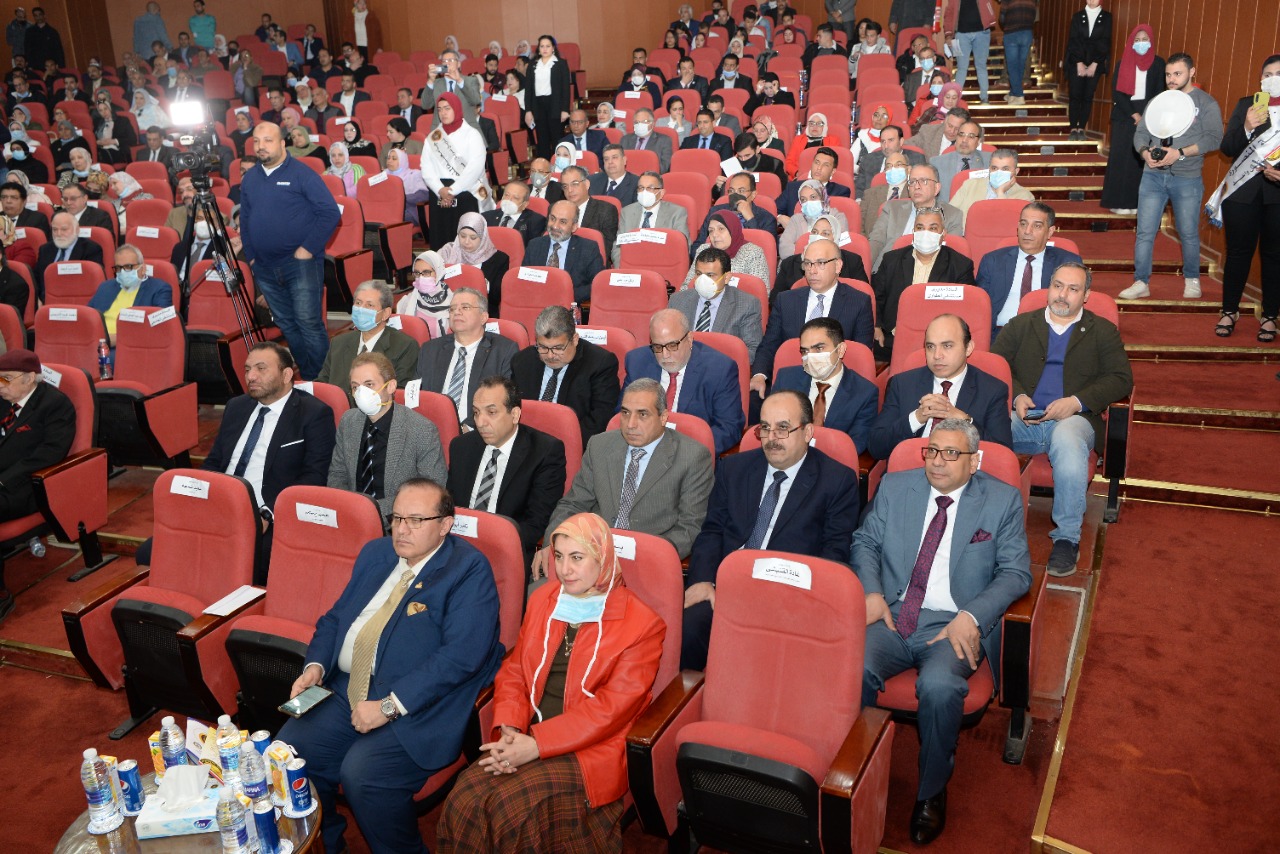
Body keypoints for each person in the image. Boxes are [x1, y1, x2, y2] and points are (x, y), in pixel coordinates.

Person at [280, 477, 502, 854]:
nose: (401, 529)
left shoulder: (468, 570)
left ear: (445, 525)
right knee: (289, 753)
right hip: (347, 685)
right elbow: (336, 618)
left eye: (416, 520)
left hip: (417, 703)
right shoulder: (376, 554)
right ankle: (325, 843)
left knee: (363, 775)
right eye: (397, 518)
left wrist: (388, 707)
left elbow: (461, 657)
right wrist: (315, 666)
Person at [438, 511, 663, 852]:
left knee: (509, 809)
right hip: (529, 732)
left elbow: (611, 710)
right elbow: (515, 670)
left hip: (592, 750)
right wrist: (510, 727)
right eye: (558, 556)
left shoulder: (642, 624)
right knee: (463, 797)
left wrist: (536, 745)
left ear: (602, 558)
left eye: (577, 558)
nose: (564, 569)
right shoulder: (544, 600)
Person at [856, 417, 1031, 846]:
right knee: (850, 668)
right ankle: (852, 769)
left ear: (975, 461)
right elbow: (865, 542)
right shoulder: (896, 487)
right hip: (893, 614)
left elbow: (1015, 573)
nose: (937, 461)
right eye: (932, 451)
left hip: (953, 623)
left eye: (951, 453)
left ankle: (931, 791)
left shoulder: (1001, 499)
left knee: (938, 687)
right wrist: (872, 592)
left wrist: (972, 615)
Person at [682, 388, 860, 670]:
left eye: (783, 428)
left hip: (788, 596)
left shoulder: (837, 481)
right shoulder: (734, 468)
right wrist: (703, 580)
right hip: (727, 586)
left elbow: (834, 554)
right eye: (765, 428)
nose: (772, 438)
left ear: (807, 432)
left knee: (764, 658)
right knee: (688, 630)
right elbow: (712, 531)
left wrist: (793, 602)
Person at [132, 342, 338, 573]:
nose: (251, 376)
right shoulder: (237, 406)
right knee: (149, 553)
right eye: (247, 369)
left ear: (286, 374)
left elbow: (314, 476)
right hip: (220, 505)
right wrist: (197, 495)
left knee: (251, 563)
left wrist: (267, 513)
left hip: (266, 513)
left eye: (261, 368)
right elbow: (214, 462)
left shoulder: (314, 413)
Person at [992, 262, 1132, 576]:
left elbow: (1121, 379)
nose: (1062, 294)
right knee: (979, 433)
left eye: (1073, 289)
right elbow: (995, 365)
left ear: (1086, 296)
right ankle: (983, 526)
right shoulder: (1020, 325)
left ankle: (1067, 538)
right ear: (1048, 288)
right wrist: (1017, 396)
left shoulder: (1102, 331)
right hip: (1024, 419)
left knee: (1068, 443)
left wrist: (1076, 401)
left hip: (1076, 420)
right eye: (1057, 286)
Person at [536, 378, 714, 575]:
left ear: (663, 417)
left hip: (648, 562)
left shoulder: (692, 457)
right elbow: (574, 504)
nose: (630, 424)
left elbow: (689, 526)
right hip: (592, 556)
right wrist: (553, 542)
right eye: (625, 413)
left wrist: (652, 558)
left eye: (642, 414)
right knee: (539, 591)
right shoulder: (599, 445)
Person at [240, 122, 342, 380]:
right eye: (256, 141)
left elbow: (330, 213)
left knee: (308, 323)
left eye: (268, 140)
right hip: (264, 267)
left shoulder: (302, 174)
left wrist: (307, 249)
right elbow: (245, 219)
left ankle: (324, 382)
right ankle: (308, 377)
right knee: (287, 324)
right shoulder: (250, 178)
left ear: (282, 143)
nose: (261, 146)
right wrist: (251, 257)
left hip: (300, 265)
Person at [1119, 53, 1223, 302]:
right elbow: (1141, 133)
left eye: (1178, 73)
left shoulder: (1206, 103)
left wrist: (1180, 153)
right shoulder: (1158, 101)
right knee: (1145, 231)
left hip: (1187, 178)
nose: (1172, 79)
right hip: (1152, 176)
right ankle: (1141, 281)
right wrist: (1145, 153)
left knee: (1188, 232)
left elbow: (1214, 138)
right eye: (1168, 74)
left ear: (1192, 72)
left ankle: (1192, 279)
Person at [447, 376, 567, 567]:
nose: (480, 422)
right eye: (476, 412)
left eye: (491, 412)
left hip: (507, 553)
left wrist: (491, 545)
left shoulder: (545, 452)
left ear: (515, 414)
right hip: (457, 547)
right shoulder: (461, 446)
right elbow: (450, 506)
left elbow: (536, 522)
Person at [869, 314, 1013, 459]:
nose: (937, 355)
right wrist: (917, 418)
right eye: (930, 346)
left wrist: (965, 422)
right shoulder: (902, 384)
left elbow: (1001, 456)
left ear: (968, 348)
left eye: (947, 346)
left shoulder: (992, 390)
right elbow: (876, 446)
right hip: (910, 467)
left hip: (962, 471)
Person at [1209, 54, 1280, 342]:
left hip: (1277, 195)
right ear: (1260, 79)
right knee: (1238, 253)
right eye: (1268, 74)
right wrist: (1247, 127)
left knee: (1274, 256)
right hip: (1242, 193)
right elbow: (1227, 148)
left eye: (1278, 74)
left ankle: (1270, 316)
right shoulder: (1247, 105)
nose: (1273, 79)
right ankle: (1229, 311)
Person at [752, 236, 876, 392]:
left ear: (838, 266)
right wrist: (759, 375)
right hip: (791, 382)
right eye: (808, 263)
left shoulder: (858, 302)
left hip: (835, 385)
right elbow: (769, 345)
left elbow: (859, 355)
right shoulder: (786, 301)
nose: (812, 270)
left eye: (821, 263)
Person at [328, 352, 446, 515]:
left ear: (391, 386)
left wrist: (370, 511)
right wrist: (347, 508)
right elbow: (337, 474)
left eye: (369, 384)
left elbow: (431, 490)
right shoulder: (348, 421)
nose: (361, 393)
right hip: (351, 514)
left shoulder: (421, 430)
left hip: (399, 519)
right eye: (355, 387)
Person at [623, 308, 745, 455]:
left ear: (689, 339)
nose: (665, 355)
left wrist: (683, 452)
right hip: (643, 449)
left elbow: (729, 428)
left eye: (672, 345)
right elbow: (622, 416)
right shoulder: (637, 362)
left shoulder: (720, 369)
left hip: (691, 454)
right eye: (657, 347)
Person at [871, 207, 975, 360]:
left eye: (933, 228)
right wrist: (876, 326)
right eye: (920, 228)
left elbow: (965, 309)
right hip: (891, 339)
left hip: (939, 343)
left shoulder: (960, 265)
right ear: (913, 231)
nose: (925, 233)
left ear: (943, 234)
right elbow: (876, 297)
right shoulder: (891, 259)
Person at [511, 305, 620, 449]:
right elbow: (512, 409)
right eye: (543, 347)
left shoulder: (600, 363)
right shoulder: (522, 361)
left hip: (573, 444)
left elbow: (599, 420)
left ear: (574, 339)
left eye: (558, 348)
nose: (550, 355)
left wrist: (558, 446)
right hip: (526, 443)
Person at [773, 315, 879, 456]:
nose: (810, 357)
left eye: (819, 349)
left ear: (840, 350)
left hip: (831, 462)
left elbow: (854, 446)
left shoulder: (864, 393)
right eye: (805, 351)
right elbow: (771, 427)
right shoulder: (786, 379)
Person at [977, 202, 1082, 338]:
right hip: (1000, 334)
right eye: (1023, 224)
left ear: (1050, 231)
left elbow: (1073, 305)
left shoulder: (1066, 262)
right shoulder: (993, 261)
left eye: (1037, 226)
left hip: (1047, 335)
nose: (1027, 231)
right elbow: (979, 306)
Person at [417, 286, 516, 424]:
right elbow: (417, 396)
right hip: (431, 427)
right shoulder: (430, 350)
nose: (457, 312)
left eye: (465, 307)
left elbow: (503, 402)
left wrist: (468, 428)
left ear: (483, 317)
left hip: (478, 428)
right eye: (452, 309)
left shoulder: (503, 350)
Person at [316, 279, 419, 400]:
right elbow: (322, 385)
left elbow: (399, 394)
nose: (361, 309)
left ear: (385, 313)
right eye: (358, 303)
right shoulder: (338, 343)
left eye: (369, 305)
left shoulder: (405, 346)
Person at [1099, 26, 1163, 215]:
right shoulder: (1122, 63)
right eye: (1137, 40)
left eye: (1145, 39)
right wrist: (1135, 115)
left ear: (1151, 41)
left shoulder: (1158, 63)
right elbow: (1117, 92)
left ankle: (1136, 203)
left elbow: (1159, 92)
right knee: (1121, 159)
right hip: (1124, 115)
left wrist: (1146, 116)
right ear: (1131, 43)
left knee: (1139, 161)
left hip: (1148, 116)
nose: (1141, 43)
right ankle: (1117, 202)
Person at [421, 93, 495, 251]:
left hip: (465, 192)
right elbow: (426, 167)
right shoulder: (433, 137)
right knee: (441, 241)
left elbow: (475, 167)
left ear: (457, 109)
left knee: (466, 241)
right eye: (439, 109)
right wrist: (440, 190)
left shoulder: (472, 135)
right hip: (439, 193)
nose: (443, 113)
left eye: (447, 108)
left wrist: (452, 191)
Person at [868, 164, 965, 272]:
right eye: (912, 182)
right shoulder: (892, 208)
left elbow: (950, 254)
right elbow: (876, 242)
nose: (917, 186)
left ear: (936, 188)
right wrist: (865, 270)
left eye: (924, 181)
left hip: (929, 273)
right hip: (887, 271)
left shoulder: (952, 215)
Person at [87, 244, 173, 345]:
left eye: (128, 267)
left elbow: (162, 326)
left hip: (130, 346)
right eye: (119, 268)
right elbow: (89, 317)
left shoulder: (159, 288)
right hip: (95, 343)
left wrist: (114, 339)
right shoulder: (105, 287)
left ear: (143, 268)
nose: (123, 272)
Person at [524, 199, 605, 303]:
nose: (555, 226)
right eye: (552, 219)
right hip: (536, 302)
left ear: (574, 226)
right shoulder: (534, 245)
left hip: (569, 305)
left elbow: (597, 284)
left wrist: (565, 295)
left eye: (562, 222)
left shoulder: (588, 248)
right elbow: (524, 280)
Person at [777, 214, 870, 304]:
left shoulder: (852, 261)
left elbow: (863, 298)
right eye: (814, 232)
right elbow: (776, 301)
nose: (818, 237)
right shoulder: (789, 264)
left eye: (825, 233)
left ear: (836, 237)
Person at [438, 213, 510, 317]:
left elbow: (496, 299)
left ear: (483, 237)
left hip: (482, 313)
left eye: (473, 237)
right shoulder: (447, 252)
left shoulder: (499, 259)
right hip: (448, 310)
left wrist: (486, 286)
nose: (466, 242)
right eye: (462, 236)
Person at [683, 210, 771, 291]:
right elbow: (687, 286)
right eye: (711, 230)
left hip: (739, 302)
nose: (715, 235)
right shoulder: (703, 250)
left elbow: (762, 292)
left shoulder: (753, 253)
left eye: (721, 229)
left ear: (733, 230)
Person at [613, 172, 689, 264]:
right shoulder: (627, 212)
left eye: (650, 188)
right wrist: (623, 267)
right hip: (631, 264)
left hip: (662, 265)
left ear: (661, 193)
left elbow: (683, 247)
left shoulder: (676, 213)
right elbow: (618, 247)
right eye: (641, 188)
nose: (644, 192)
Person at [693, 172, 778, 253]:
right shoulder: (715, 212)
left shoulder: (767, 219)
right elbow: (696, 247)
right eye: (732, 191)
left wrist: (750, 219)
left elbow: (766, 253)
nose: (735, 195)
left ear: (753, 194)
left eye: (741, 191)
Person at [1063, 0, 1113, 136]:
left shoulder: (1107, 17)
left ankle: (1081, 127)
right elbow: (1073, 40)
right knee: (1075, 95)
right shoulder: (1077, 16)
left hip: (1095, 63)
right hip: (1076, 62)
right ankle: (1073, 128)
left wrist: (1095, 63)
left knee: (1087, 96)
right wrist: (1079, 62)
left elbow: (1105, 41)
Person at [950, 149, 1035, 227]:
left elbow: (1009, 226)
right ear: (989, 169)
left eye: (1005, 169)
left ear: (1016, 171)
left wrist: (1000, 193)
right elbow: (949, 215)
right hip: (966, 236)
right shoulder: (970, 185)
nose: (998, 173)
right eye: (994, 168)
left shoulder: (1025, 197)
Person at [34, 211, 104, 302]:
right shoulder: (45, 249)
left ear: (77, 230)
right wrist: (38, 299)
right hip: (48, 301)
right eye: (55, 230)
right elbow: (37, 279)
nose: (58, 234)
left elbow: (91, 283)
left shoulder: (91, 249)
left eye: (64, 229)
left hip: (77, 300)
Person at [777, 147, 852, 232]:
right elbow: (773, 211)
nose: (819, 168)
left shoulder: (840, 192)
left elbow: (834, 223)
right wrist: (780, 218)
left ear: (833, 171)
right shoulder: (792, 187)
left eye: (826, 165)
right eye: (817, 162)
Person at [779, 179, 852, 263]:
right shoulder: (796, 219)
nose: (808, 202)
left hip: (830, 264)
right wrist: (807, 260)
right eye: (803, 200)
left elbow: (840, 246)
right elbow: (784, 248)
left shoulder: (838, 217)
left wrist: (801, 249)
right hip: (798, 264)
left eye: (813, 197)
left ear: (822, 196)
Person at [526, 35, 571, 160]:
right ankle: (544, 166)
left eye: (548, 46)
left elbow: (566, 89)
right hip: (538, 105)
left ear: (553, 48)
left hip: (555, 105)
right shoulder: (532, 65)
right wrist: (528, 110)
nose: (545, 49)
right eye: (542, 46)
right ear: (538, 49)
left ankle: (559, 166)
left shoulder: (561, 64)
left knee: (557, 138)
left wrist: (565, 109)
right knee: (542, 140)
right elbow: (528, 90)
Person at [931, 120, 990, 204]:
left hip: (977, 209)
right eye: (961, 135)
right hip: (946, 209)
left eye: (971, 136)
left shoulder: (989, 160)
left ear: (978, 141)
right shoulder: (936, 163)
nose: (964, 140)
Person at [395, 250, 452, 335]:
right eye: (417, 273)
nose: (421, 277)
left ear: (438, 272)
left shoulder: (452, 301)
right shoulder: (407, 302)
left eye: (426, 272)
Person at [482, 180, 546, 247]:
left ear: (525, 204)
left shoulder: (536, 222)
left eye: (515, 198)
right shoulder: (486, 217)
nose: (509, 200)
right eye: (507, 195)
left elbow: (534, 249)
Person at [619, 108, 673, 173]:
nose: (639, 124)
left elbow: (664, 167)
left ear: (652, 123)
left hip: (650, 176)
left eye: (644, 121)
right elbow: (619, 163)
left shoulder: (664, 141)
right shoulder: (625, 140)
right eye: (636, 122)